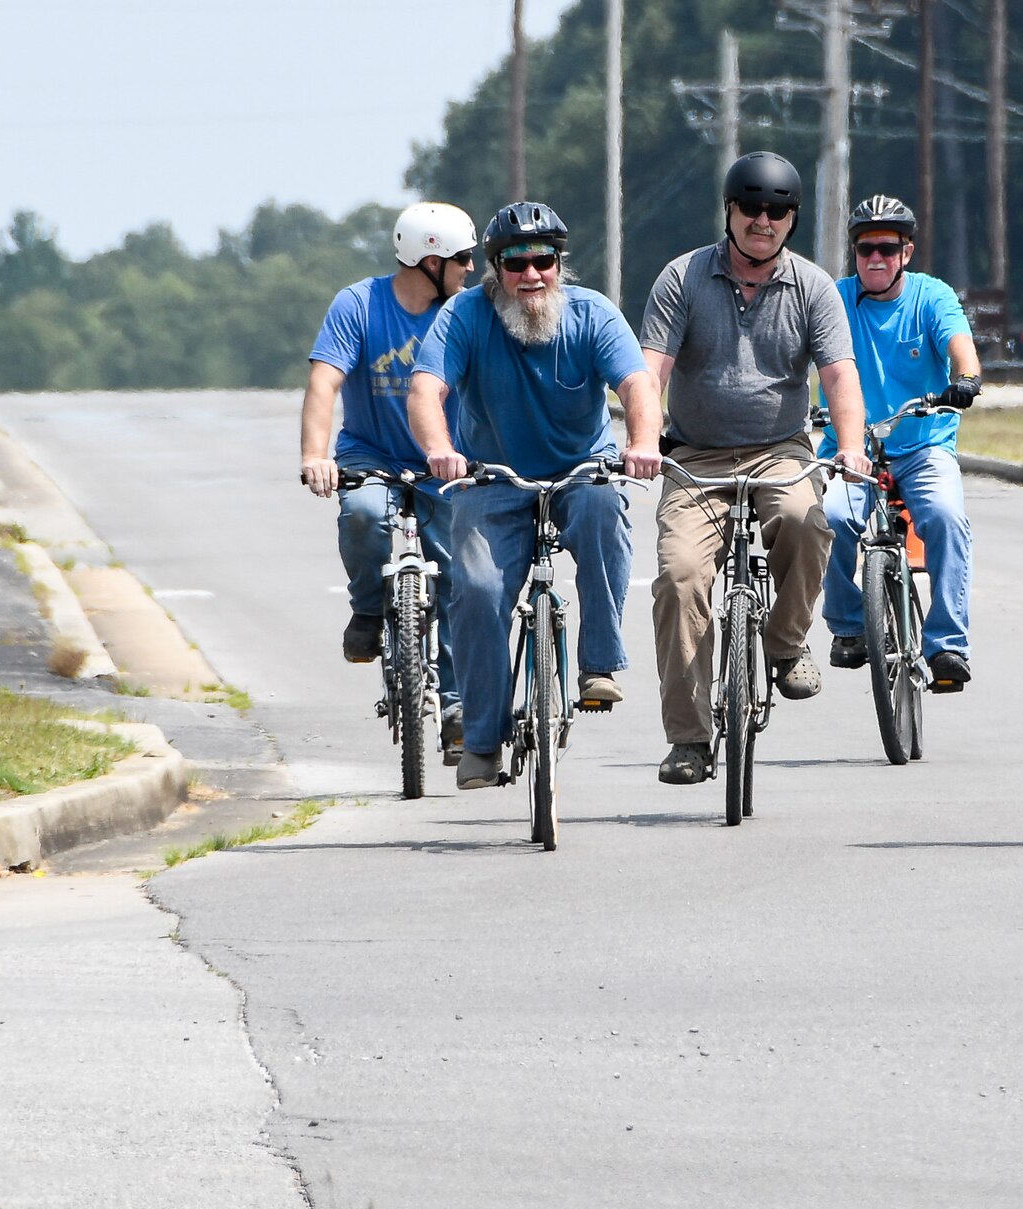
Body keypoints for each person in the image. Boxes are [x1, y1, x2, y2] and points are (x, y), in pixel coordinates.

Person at [407, 201, 664, 790]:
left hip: (581, 472)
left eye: (543, 260)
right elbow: (426, 391)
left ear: (559, 263)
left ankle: (598, 664)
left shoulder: (593, 314)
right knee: (473, 590)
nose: (532, 275)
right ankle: (480, 739)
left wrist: (643, 441)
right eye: (515, 263)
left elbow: (636, 384)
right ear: (494, 270)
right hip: (491, 480)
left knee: (604, 508)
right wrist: (439, 450)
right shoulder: (465, 316)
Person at [638, 151, 871, 786]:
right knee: (680, 578)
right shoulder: (682, 278)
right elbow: (650, 369)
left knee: (806, 519)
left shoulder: (815, 287)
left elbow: (839, 376)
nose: (762, 221)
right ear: (730, 212)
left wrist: (849, 447)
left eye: (777, 211)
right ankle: (689, 739)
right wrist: (640, 438)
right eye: (752, 208)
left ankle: (786, 643)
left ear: (791, 220)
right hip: (693, 456)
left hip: (781, 450)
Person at [300, 201, 477, 762]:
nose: (472, 269)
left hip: (445, 461)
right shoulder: (359, 304)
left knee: (459, 576)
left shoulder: (467, 311)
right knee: (363, 515)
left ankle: (455, 704)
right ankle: (369, 611)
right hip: (369, 453)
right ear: (431, 260)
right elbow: (324, 382)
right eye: (463, 258)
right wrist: (315, 455)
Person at [815, 195, 983, 691]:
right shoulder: (834, 298)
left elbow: (961, 349)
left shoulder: (932, 297)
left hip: (924, 444)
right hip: (851, 446)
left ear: (906, 253)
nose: (875, 259)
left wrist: (966, 380)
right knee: (831, 518)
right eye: (865, 249)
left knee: (947, 519)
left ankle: (947, 644)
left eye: (887, 249)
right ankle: (848, 627)